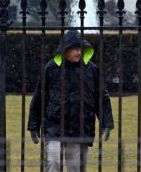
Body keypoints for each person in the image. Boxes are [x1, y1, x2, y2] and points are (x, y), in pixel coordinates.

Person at [27, 30, 114, 172]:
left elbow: (101, 98)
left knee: (76, 169)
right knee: (53, 163)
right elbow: (39, 97)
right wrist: (33, 125)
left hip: (80, 128)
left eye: (80, 48)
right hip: (54, 127)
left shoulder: (91, 69)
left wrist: (107, 122)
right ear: (65, 49)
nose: (79, 52)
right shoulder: (51, 68)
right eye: (75, 48)